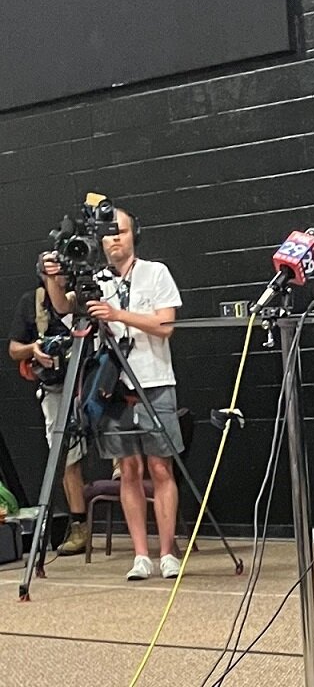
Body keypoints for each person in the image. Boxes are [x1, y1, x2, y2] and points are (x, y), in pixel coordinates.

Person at [43, 206, 185, 581]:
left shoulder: (155, 273)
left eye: (121, 231)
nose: (115, 238)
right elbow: (64, 310)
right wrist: (53, 278)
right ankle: (141, 555)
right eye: (108, 233)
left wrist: (117, 315)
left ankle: (168, 551)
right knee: (130, 471)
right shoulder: (95, 280)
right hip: (113, 388)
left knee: (160, 467)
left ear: (134, 234)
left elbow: (165, 324)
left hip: (154, 382)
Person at [8, 281, 90, 555]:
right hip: (56, 387)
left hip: (95, 377)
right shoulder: (31, 302)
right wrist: (35, 349)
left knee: (125, 451)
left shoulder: (87, 292)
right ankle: (79, 527)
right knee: (67, 457)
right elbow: (14, 348)